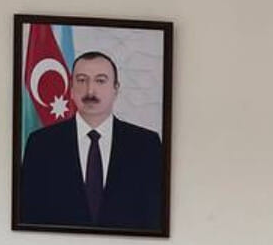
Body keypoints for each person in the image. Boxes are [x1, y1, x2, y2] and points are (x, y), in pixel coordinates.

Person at [17, 49, 166, 232]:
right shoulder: (41, 144)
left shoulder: (146, 145)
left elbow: (155, 217)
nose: (90, 90)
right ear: (71, 89)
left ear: (116, 89)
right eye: (81, 80)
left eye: (100, 81)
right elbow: (28, 215)